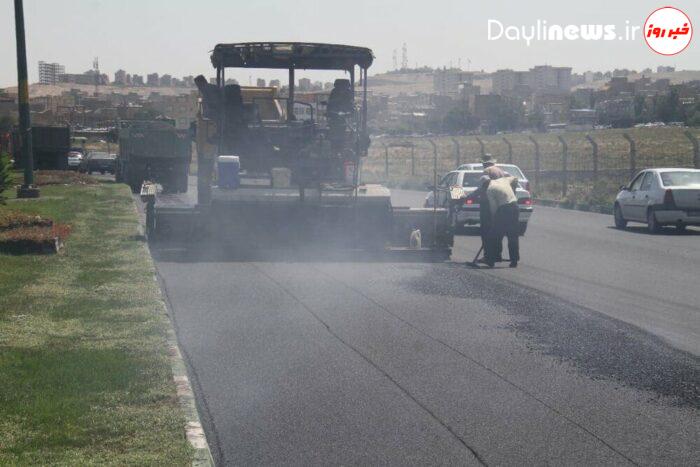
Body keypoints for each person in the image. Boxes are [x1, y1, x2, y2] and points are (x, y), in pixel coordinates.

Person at [486, 175, 521, 268]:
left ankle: (491, 260)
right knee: (513, 235)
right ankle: (514, 260)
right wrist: (514, 190)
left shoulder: (489, 189)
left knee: (495, 236)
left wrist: (494, 220)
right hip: (515, 207)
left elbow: (493, 208)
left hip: (503, 210)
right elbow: (515, 178)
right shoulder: (503, 180)